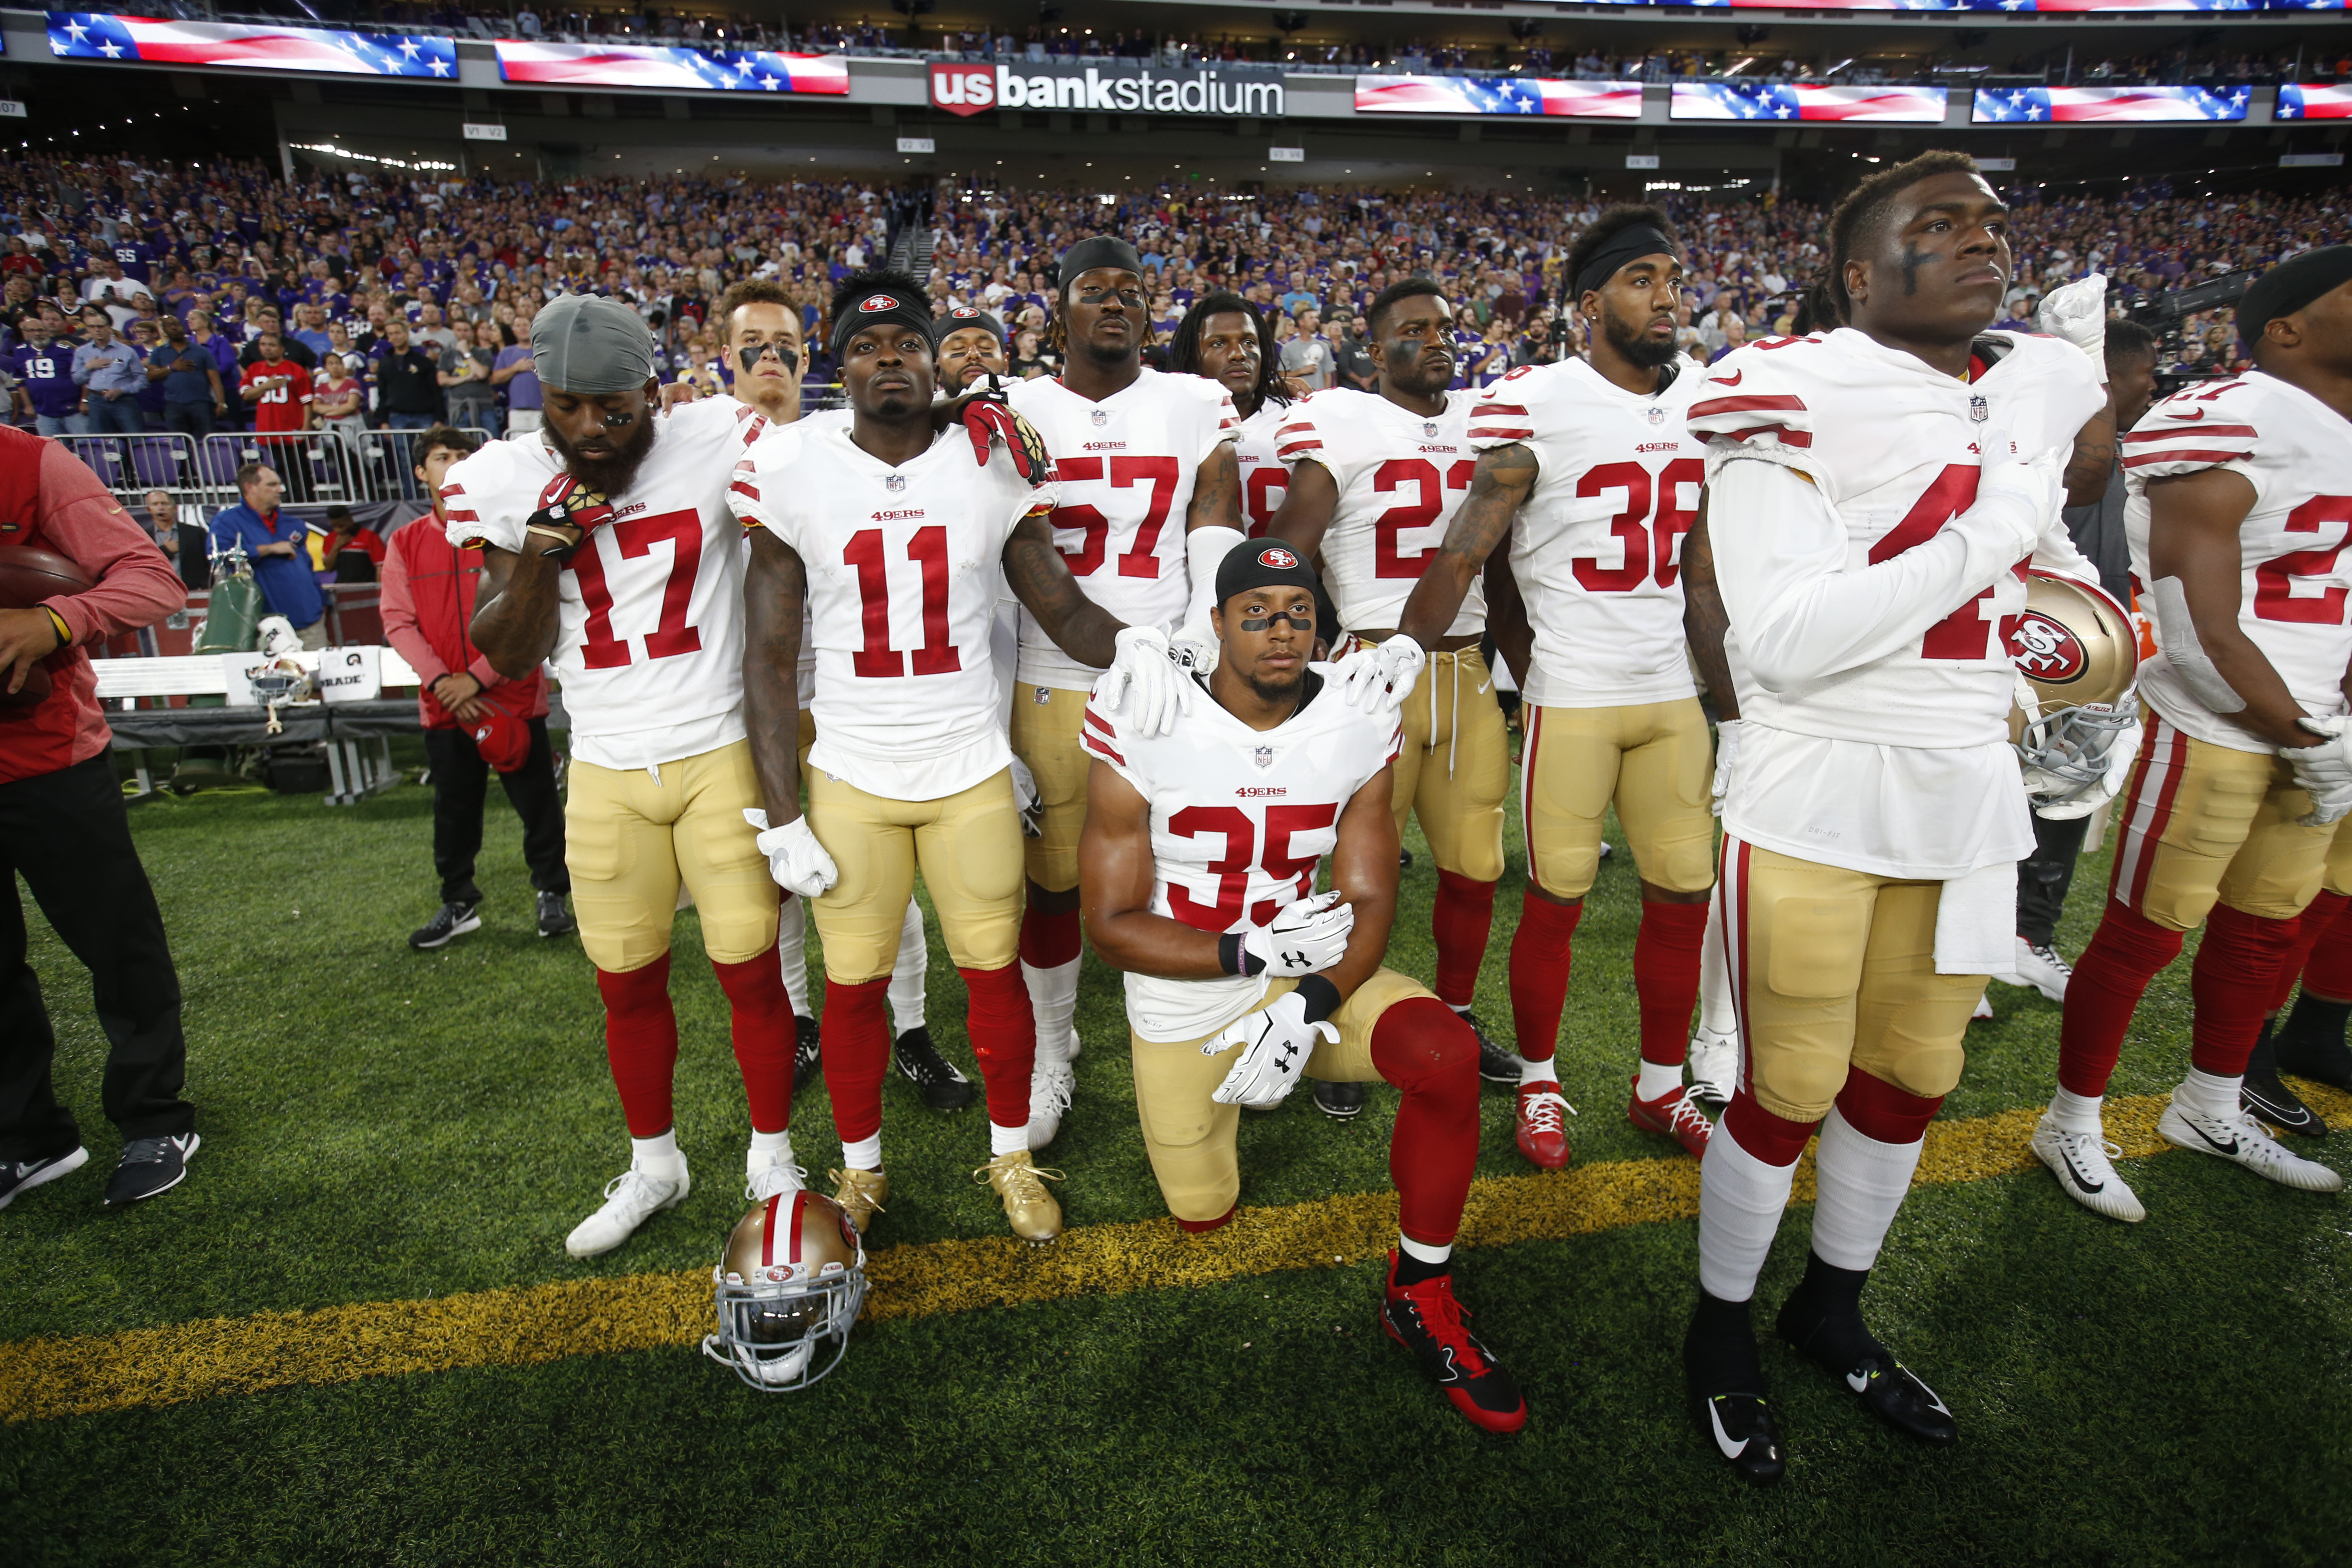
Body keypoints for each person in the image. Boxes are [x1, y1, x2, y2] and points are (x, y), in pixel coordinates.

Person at [1673, 151, 2112, 1481]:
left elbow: (2047, 585)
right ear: (1861, 274)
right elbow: (1791, 641)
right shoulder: (1785, 394)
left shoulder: (2003, 410)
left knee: (1917, 1074)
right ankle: (1720, 1328)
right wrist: (1995, 528)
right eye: (1939, 225)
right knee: (1790, 1083)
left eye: (1990, 221)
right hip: (1815, 795)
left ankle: (1835, 1307)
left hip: (1965, 793)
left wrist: (2076, 624)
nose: (1983, 241)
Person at [731, 271, 1182, 1243]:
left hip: (968, 764)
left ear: (933, 358)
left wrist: (1151, 648)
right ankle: (861, 1174)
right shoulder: (796, 464)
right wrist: (781, 815)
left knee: (992, 975)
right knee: (852, 991)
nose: (888, 357)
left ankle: (1013, 1155)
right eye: (865, 345)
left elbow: (1057, 602)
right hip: (853, 769)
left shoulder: (989, 459)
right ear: (838, 367)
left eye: (906, 343)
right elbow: (766, 659)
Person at [1078, 538, 1526, 1433]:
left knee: (1445, 1054)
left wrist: (1308, 1003)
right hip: (1193, 985)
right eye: (1256, 615)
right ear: (1215, 628)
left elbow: (1367, 896)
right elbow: (1112, 927)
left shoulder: (1357, 716)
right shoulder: (1146, 712)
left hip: (1313, 968)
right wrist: (1247, 956)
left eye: (1298, 616)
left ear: (1322, 633)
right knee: (1202, 1210)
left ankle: (1420, 1291)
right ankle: (1242, 1097)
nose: (1278, 633)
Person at [448, 293, 804, 1260]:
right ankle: (656, 1164)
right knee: (626, 983)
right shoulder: (501, 478)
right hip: (604, 762)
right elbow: (507, 653)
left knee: (751, 971)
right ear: (539, 397)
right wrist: (541, 552)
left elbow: (823, 463)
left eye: (616, 410)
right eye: (569, 408)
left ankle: (772, 1153)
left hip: (716, 748)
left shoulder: (716, 435)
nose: (592, 432)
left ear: (657, 392)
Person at [1377, 214, 1726, 1166]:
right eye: (1643, 280)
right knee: (1558, 897)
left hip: (1669, 695)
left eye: (1675, 279)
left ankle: (1659, 1087)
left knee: (1683, 895)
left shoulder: (1702, 402)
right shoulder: (1537, 404)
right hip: (1573, 694)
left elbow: (1700, 579)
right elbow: (1465, 550)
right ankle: (1539, 1080)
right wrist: (1399, 655)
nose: (1668, 296)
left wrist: (1732, 711)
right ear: (1590, 307)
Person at [2037, 245, 2352, 1221]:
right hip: (2220, 721)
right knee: (2143, 932)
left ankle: (2211, 1103)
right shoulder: (2233, 416)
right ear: (2287, 328)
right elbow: (2197, 625)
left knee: (2264, 932)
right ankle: (2071, 1119)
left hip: (2322, 726)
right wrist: (2307, 732)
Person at [1004, 237, 1248, 1149]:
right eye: (1092, 291)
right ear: (1057, 309)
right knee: (1055, 883)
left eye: (1132, 294)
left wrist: (1191, 645)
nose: (1115, 305)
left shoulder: (1192, 400)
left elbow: (1213, 513)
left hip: (1181, 677)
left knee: (1200, 870)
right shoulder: (1017, 410)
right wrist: (1131, 648)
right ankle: (1053, 1052)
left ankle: (1215, 1027)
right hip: (1061, 678)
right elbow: (1021, 558)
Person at [1269, 277, 1524, 1117]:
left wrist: (1523, 669)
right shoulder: (1340, 420)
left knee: (1475, 867)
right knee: (1356, 874)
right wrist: (1307, 663)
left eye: (1445, 327)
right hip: (1370, 672)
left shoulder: (1489, 420)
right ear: (1374, 353)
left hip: (1462, 674)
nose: (1438, 340)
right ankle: (1338, 1021)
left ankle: (1451, 1011)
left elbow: (1503, 565)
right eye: (1414, 330)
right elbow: (1283, 553)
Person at [716, 275, 955, 1107]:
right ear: (725, 357)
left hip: (856, 695)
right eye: (754, 345)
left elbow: (920, 428)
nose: (771, 358)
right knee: (775, 879)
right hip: (755, 700)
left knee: (885, 882)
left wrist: (965, 409)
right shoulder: (694, 440)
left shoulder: (837, 434)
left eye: (785, 344)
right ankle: (799, 1020)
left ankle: (912, 1029)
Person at [0, 428, 200, 1209]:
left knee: (117, 946)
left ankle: (156, 1116)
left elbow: (155, 581)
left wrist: (52, 619)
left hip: (52, 759)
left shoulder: (31, 463)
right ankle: (29, 1137)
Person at [1996, 317, 2161, 1009]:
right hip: (2030, 631)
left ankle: (2025, 935)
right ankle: (1995, 934)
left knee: (2068, 775)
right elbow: (2085, 481)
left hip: (2084, 632)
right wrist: (2083, 361)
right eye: (2141, 377)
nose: (2152, 389)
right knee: (2018, 779)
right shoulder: (2056, 450)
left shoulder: (2140, 446)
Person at [382, 426, 573, 951]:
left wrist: (478, 677)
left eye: (463, 456)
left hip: (510, 696)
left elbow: (530, 613)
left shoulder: (505, 531)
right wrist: (444, 681)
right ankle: (458, 900)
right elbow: (398, 621)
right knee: (454, 807)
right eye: (442, 457)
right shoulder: (404, 542)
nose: (454, 465)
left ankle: (553, 893)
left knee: (538, 805)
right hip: (445, 705)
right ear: (422, 472)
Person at [1167, 292, 1294, 538]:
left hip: (1284, 571)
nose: (1239, 354)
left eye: (1249, 342)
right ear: (1194, 356)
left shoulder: (1296, 418)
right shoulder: (1169, 424)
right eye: (1219, 343)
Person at [208, 462, 328, 649]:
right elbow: (219, 557)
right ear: (250, 488)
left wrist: (321, 601)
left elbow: (307, 565)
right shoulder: (227, 522)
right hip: (264, 626)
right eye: (272, 485)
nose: (280, 490)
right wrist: (269, 549)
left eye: (279, 484)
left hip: (309, 620)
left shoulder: (293, 524)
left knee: (319, 674)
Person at [241, 328, 314, 500]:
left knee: (300, 472)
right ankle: (286, 502)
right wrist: (266, 386)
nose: (267, 348)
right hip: (268, 430)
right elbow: (246, 394)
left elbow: (307, 402)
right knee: (278, 472)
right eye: (263, 345)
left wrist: (305, 429)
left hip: (292, 430)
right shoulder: (254, 369)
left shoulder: (295, 369)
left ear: (282, 349)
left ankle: (306, 503)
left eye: (272, 345)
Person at [146, 314, 227, 442]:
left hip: (201, 403)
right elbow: (150, 376)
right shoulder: (159, 352)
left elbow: (215, 378)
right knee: (179, 444)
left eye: (176, 324)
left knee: (207, 441)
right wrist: (171, 368)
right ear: (164, 331)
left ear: (183, 327)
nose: (173, 328)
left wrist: (221, 403)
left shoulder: (201, 351)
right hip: (174, 404)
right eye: (169, 326)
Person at [71, 305, 146, 436]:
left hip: (124, 401)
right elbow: (77, 380)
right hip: (96, 401)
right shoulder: (82, 352)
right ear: (88, 329)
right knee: (102, 443)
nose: (97, 330)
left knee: (135, 438)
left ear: (109, 328)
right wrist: (89, 367)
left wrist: (122, 390)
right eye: (92, 327)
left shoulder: (127, 351)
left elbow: (142, 380)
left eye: (101, 327)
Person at [11, 315, 85, 437]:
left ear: (48, 331)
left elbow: (84, 377)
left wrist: (84, 400)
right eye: (33, 331)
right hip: (43, 412)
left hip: (73, 410)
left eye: (41, 330)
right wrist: (28, 405)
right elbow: (20, 380)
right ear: (26, 333)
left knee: (85, 446)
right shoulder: (20, 352)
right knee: (53, 452)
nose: (38, 334)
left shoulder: (66, 350)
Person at [373, 320, 441, 436]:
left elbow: (435, 390)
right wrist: (384, 421)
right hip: (397, 417)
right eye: (391, 334)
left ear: (407, 334)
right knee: (402, 453)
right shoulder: (385, 363)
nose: (395, 337)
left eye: (397, 333)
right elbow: (382, 393)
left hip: (424, 416)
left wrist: (439, 419)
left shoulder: (423, 361)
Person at [933, 305, 1010, 393]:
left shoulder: (1026, 402)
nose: (974, 354)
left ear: (1006, 363)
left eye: (985, 347)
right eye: (958, 348)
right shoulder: (923, 407)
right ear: (936, 371)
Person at [492, 333, 543, 434]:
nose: (522, 329)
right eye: (518, 325)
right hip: (517, 410)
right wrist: (516, 368)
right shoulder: (507, 352)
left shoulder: (543, 350)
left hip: (542, 410)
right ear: (514, 330)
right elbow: (495, 378)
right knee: (518, 446)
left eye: (525, 325)